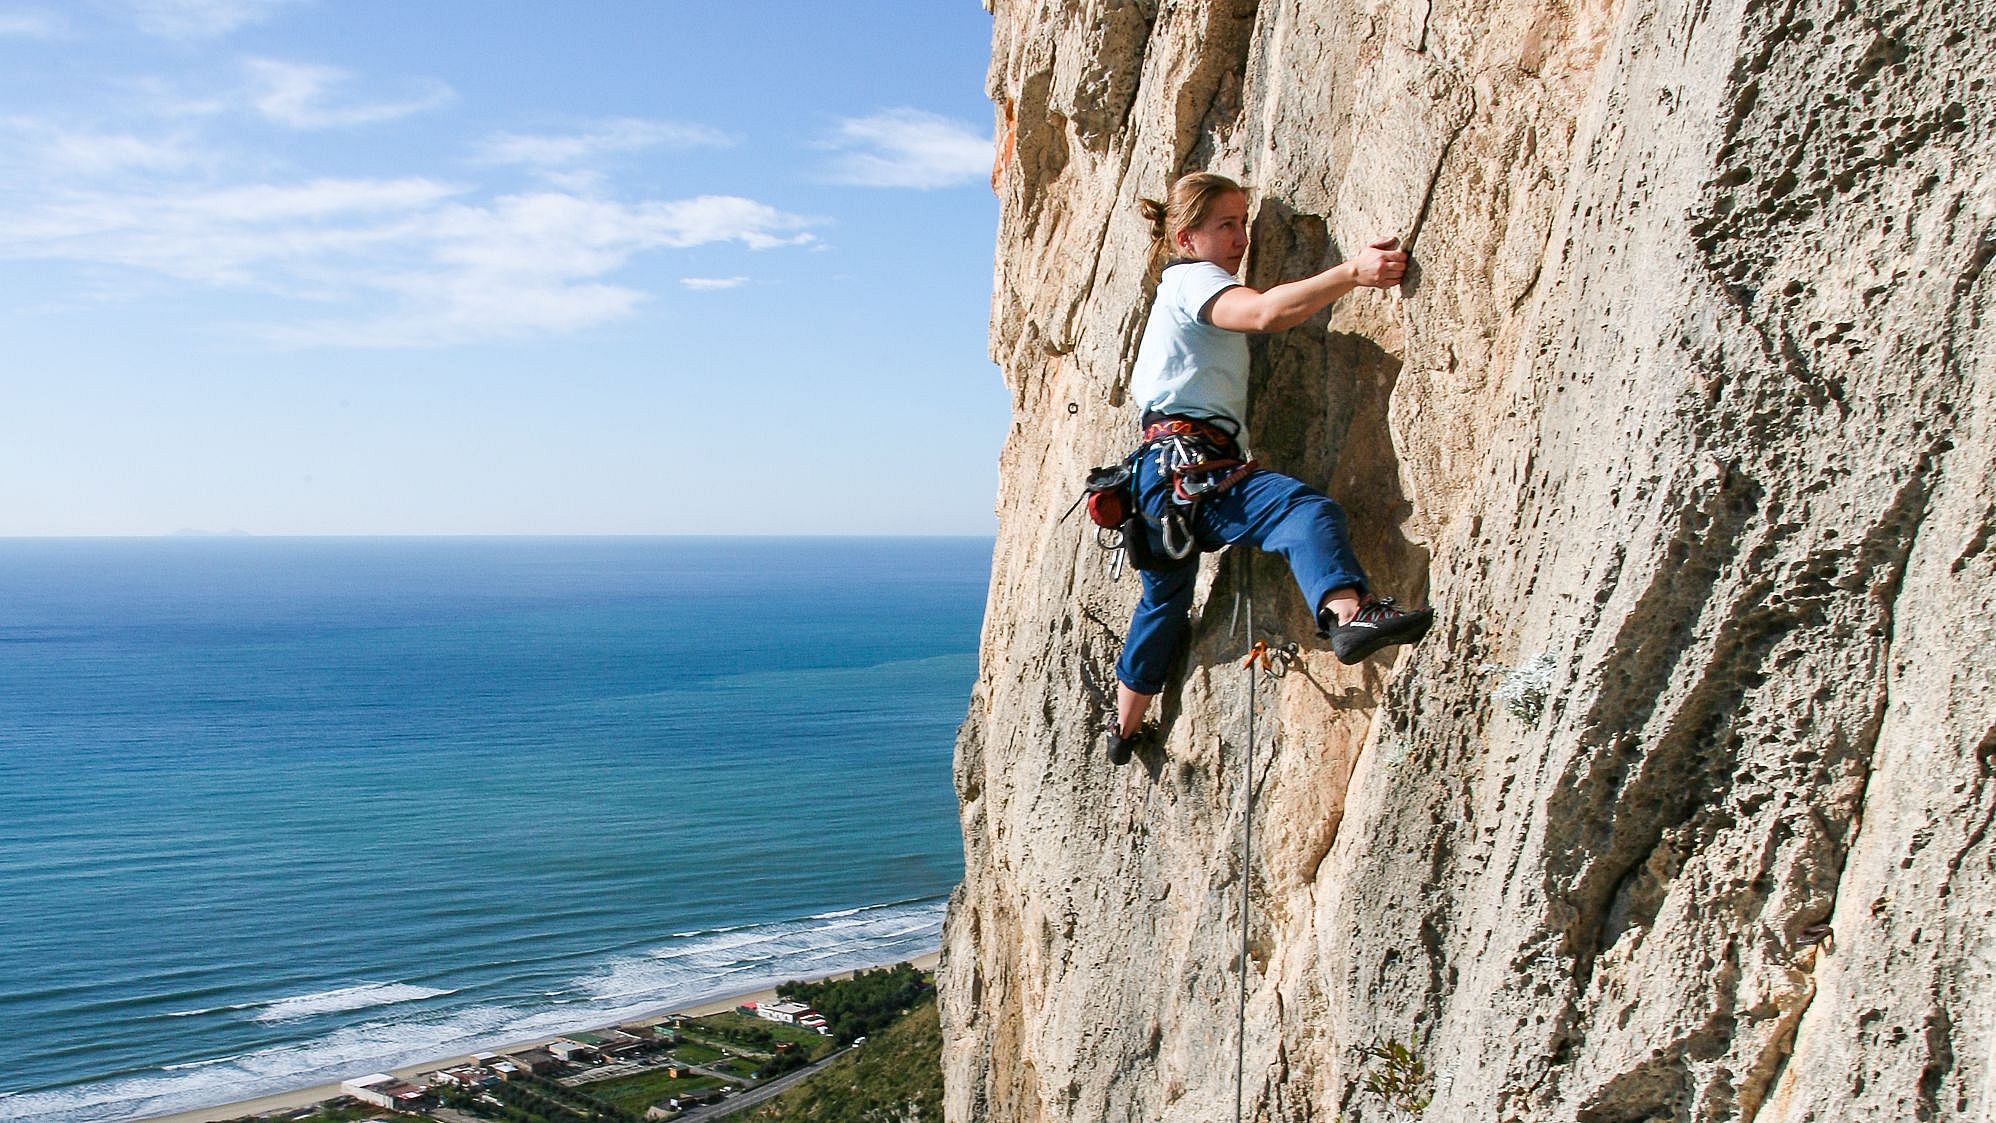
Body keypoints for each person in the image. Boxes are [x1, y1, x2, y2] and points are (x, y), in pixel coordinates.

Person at [1108, 171, 1433, 764]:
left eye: (1243, 224)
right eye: (1225, 226)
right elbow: (1261, 314)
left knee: (1162, 602)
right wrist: (1351, 274)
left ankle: (1123, 730)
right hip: (1191, 468)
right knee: (1303, 510)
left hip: (1155, 485)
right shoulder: (1192, 282)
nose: (1240, 238)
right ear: (1187, 238)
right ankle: (1349, 615)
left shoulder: (1169, 298)